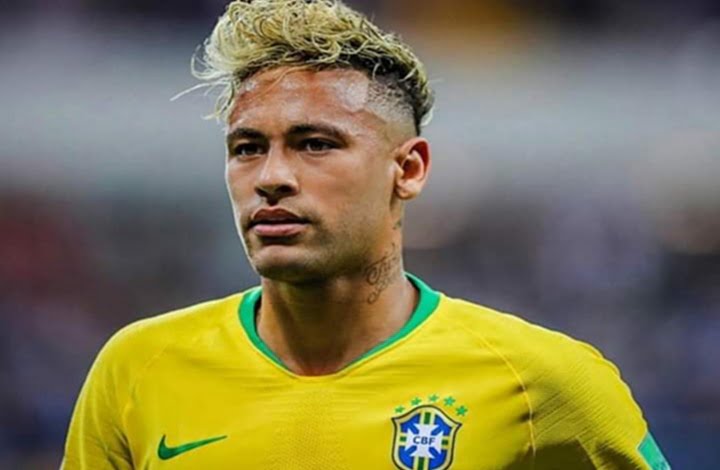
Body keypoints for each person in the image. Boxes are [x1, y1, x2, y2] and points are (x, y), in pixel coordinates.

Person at [62, 1, 671, 469]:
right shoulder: (138, 367)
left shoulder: (539, 379)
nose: (271, 177)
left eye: (315, 144)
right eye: (247, 148)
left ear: (408, 169)